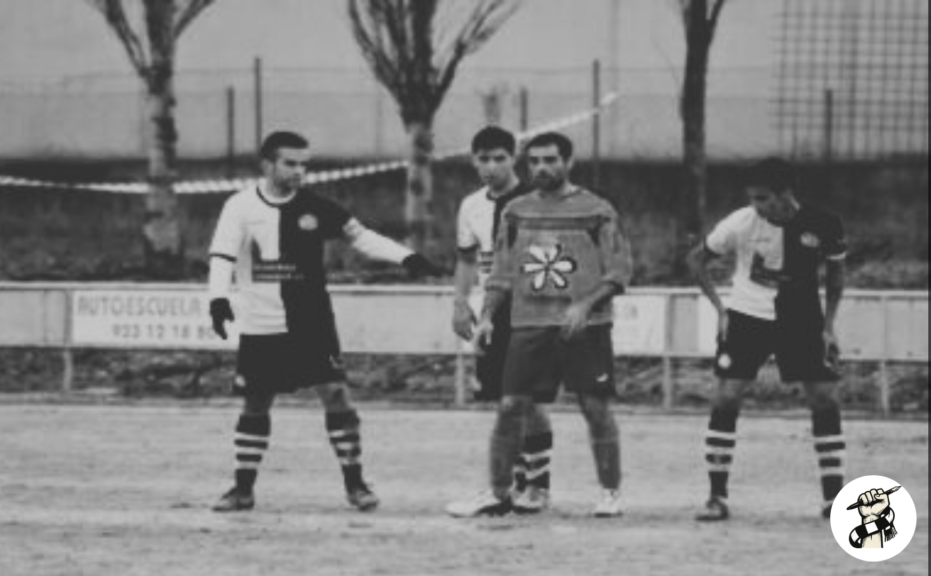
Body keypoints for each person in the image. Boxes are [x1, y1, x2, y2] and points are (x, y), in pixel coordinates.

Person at [207, 131, 443, 513]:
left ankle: (356, 485)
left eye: (305, 164)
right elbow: (222, 255)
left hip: (311, 324)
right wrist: (217, 299)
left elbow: (361, 237)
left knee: (336, 395)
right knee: (255, 403)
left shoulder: (317, 207)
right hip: (261, 324)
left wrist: (407, 258)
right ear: (267, 164)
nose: (300, 171)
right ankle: (242, 489)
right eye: (291, 163)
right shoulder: (239, 207)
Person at [448, 132, 633, 518]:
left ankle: (610, 493)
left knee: (594, 407)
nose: (541, 168)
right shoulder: (516, 212)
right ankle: (499, 492)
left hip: (586, 328)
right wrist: (484, 319)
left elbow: (619, 271)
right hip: (528, 324)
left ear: (569, 162)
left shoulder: (597, 210)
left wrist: (586, 305)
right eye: (534, 162)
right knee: (510, 405)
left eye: (550, 160)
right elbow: (501, 273)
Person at [687, 157, 847, 521]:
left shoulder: (823, 223)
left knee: (823, 399)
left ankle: (834, 499)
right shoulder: (740, 223)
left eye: (762, 198)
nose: (757, 206)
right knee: (726, 397)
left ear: (785, 194)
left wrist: (829, 326)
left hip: (802, 319)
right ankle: (716, 497)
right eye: (753, 199)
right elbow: (696, 259)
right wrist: (721, 309)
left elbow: (836, 276)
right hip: (747, 318)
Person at [448, 127, 553, 516]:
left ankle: (533, 486)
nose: (490, 167)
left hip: (532, 312)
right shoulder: (471, 206)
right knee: (506, 401)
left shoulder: (535, 202)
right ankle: (519, 484)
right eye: (483, 159)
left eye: (499, 159)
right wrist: (460, 303)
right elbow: (465, 258)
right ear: (473, 160)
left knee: (525, 401)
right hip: (492, 314)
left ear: (515, 158)